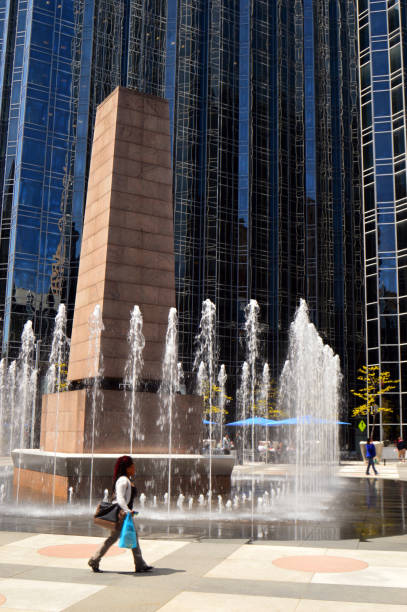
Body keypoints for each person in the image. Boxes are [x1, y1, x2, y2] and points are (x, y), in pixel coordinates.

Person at [88, 455, 153, 573]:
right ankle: (95, 559)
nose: (134, 469)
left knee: (119, 538)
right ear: (128, 468)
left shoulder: (126, 479)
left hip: (124, 513)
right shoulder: (123, 480)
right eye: (133, 466)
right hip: (122, 514)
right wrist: (128, 510)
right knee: (117, 538)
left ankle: (139, 564)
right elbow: (120, 498)